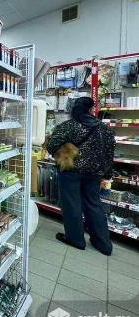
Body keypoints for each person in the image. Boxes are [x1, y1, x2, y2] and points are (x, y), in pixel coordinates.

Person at [46, 97, 115, 255]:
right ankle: (103, 244)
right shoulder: (104, 129)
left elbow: (51, 144)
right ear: (91, 110)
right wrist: (107, 173)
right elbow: (110, 151)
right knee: (94, 204)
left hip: (72, 170)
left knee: (72, 204)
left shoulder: (70, 125)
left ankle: (76, 239)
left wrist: (63, 152)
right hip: (95, 173)